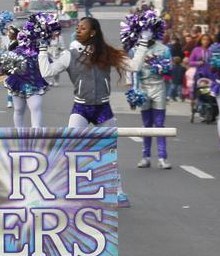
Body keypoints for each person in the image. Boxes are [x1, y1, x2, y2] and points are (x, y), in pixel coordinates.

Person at [39, 17, 142, 207]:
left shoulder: (106, 53)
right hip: (81, 108)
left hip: (103, 109)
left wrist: (143, 42)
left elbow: (134, 66)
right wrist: (42, 48)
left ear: (93, 32)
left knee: (109, 151)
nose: (78, 30)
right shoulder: (69, 55)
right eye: (78, 28)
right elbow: (47, 72)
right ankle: (71, 190)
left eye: (83, 28)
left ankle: (118, 191)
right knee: (71, 149)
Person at [129, 27, 173, 169]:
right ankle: (146, 157)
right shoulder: (135, 50)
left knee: (159, 124)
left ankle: (162, 157)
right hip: (143, 88)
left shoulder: (163, 49)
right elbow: (132, 72)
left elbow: (169, 68)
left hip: (158, 86)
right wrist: (133, 94)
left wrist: (158, 65)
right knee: (146, 124)